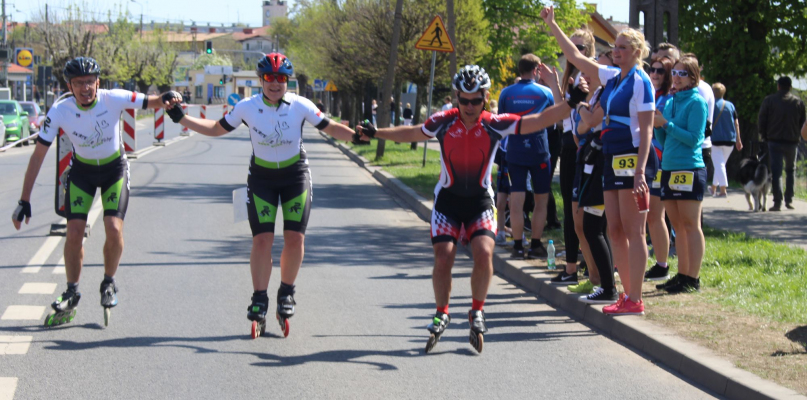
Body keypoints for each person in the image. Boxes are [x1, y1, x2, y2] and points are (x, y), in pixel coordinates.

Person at [356, 65, 588, 352]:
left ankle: (476, 309)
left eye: (475, 101)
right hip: (448, 202)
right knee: (444, 257)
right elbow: (413, 133)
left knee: (484, 252)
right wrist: (377, 132)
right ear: (456, 97)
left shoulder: (494, 123)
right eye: (463, 100)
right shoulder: (444, 121)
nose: (468, 106)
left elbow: (539, 120)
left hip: (479, 201)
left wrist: (572, 102)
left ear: (485, 97)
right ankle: (442, 312)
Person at [164, 53, 360, 336]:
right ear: (260, 80)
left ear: (287, 82)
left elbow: (330, 128)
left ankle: (286, 292)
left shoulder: (300, 105)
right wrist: (182, 117)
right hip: (262, 179)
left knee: (295, 237)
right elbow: (217, 128)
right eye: (270, 78)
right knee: (262, 240)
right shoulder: (247, 107)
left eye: (281, 78)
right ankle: (259, 297)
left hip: (295, 177)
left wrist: (356, 136)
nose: (275, 83)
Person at [11, 57, 182, 326]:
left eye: (89, 82)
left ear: (98, 82)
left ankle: (109, 282)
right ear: (69, 85)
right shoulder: (59, 110)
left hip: (114, 169)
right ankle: (71, 291)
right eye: (78, 83)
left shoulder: (112, 98)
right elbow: (38, 155)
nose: (85, 88)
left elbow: (152, 101)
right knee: (74, 233)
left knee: (113, 227)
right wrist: (24, 199)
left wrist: (168, 96)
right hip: (82, 173)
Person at [542, 6, 658, 315]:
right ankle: (624, 294)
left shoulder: (640, 81)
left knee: (634, 231)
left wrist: (642, 171)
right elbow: (578, 59)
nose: (615, 51)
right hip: (610, 156)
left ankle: (636, 297)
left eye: (621, 47)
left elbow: (646, 130)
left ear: (635, 51)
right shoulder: (614, 77)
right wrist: (553, 26)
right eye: (614, 47)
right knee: (615, 229)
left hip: (633, 159)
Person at [653, 56, 708, 293]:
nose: (676, 77)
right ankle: (681, 274)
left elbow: (695, 138)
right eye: (674, 72)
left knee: (690, 224)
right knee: (676, 225)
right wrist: (658, 127)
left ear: (693, 77)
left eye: (682, 73)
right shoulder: (671, 102)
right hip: (669, 167)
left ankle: (692, 278)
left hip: (689, 167)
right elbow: (664, 140)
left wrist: (666, 124)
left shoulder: (697, 102)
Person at [498, 54, 556, 260]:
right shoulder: (545, 92)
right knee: (541, 200)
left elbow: (502, 122)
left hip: (514, 152)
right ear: (536, 70)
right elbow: (552, 122)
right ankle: (535, 245)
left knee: (516, 199)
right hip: (539, 152)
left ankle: (516, 246)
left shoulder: (506, 93)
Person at [549, 29, 595, 284]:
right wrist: (555, 85)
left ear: (590, 51)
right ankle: (571, 269)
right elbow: (562, 114)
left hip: (583, 145)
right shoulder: (571, 75)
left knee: (585, 210)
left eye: (581, 48)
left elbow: (579, 115)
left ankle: (589, 266)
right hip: (569, 145)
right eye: (571, 46)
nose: (574, 52)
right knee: (570, 208)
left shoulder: (589, 75)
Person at [643, 56, 674, 281]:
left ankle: (662, 265)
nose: (654, 74)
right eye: (652, 69)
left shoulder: (667, 98)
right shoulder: (650, 94)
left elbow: (656, 121)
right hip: (643, 160)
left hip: (660, 161)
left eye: (660, 71)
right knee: (646, 216)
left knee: (655, 215)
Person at [758, 76, 806, 211]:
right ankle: (789, 199)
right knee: (791, 170)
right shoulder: (798, 102)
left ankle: (777, 201)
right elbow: (803, 122)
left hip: (774, 141)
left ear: (778, 86)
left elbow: (762, 120)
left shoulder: (769, 100)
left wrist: (763, 136)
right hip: (792, 141)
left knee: (776, 172)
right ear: (790, 87)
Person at [709, 83, 742, 197]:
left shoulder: (711, 105)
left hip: (715, 140)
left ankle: (723, 190)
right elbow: (736, 123)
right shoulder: (730, 105)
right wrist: (738, 139)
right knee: (720, 164)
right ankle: (713, 188)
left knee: (719, 165)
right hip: (730, 139)